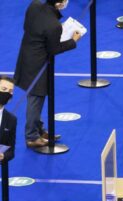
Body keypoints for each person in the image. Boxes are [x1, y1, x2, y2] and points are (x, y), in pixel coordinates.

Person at [14, 0, 82, 148]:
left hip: (25, 56)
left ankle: (39, 130)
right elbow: (54, 49)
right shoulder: (54, 25)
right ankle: (31, 136)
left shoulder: (34, 5)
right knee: (36, 99)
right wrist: (73, 41)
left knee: (36, 98)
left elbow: (27, 26)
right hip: (38, 65)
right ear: (59, 3)